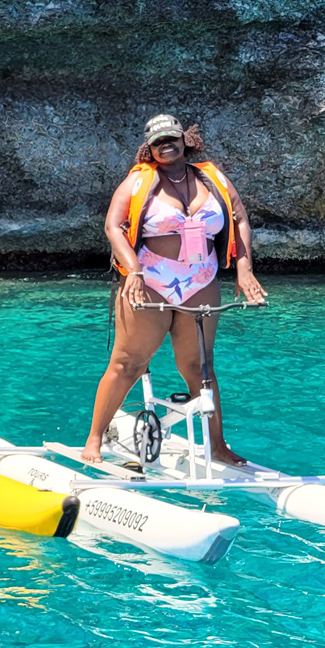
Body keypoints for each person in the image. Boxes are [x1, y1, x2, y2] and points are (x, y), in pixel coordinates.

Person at [82, 114, 266, 464]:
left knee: (200, 367)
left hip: (201, 280)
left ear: (185, 140)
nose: (166, 144)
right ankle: (93, 440)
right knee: (127, 363)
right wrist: (132, 270)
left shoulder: (210, 177)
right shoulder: (139, 182)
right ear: (148, 149)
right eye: (157, 141)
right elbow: (113, 226)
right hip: (150, 280)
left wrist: (244, 268)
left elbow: (239, 218)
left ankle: (217, 446)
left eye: (171, 138)